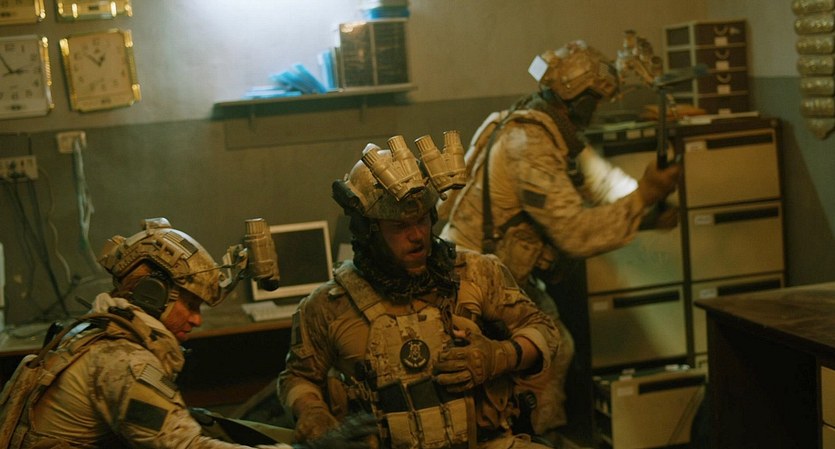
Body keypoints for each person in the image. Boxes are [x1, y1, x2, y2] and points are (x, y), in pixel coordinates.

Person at [438, 40, 682, 445]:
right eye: (596, 101)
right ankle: (526, 437)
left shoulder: (544, 131)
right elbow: (576, 234)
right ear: (581, 101)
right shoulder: (529, 144)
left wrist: (647, 207)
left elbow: (602, 183)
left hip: (499, 274)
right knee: (544, 349)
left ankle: (534, 433)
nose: (596, 111)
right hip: (472, 282)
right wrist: (643, 198)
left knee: (555, 344)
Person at [277, 133, 561, 449]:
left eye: (422, 220)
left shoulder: (476, 273)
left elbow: (544, 331)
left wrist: (498, 356)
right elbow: (298, 376)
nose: (417, 236)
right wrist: (312, 412)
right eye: (399, 227)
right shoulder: (328, 306)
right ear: (369, 232)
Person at [0, 217, 376, 449]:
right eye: (191, 305)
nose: (196, 321)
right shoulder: (123, 362)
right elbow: (185, 446)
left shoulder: (91, 331)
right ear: (153, 294)